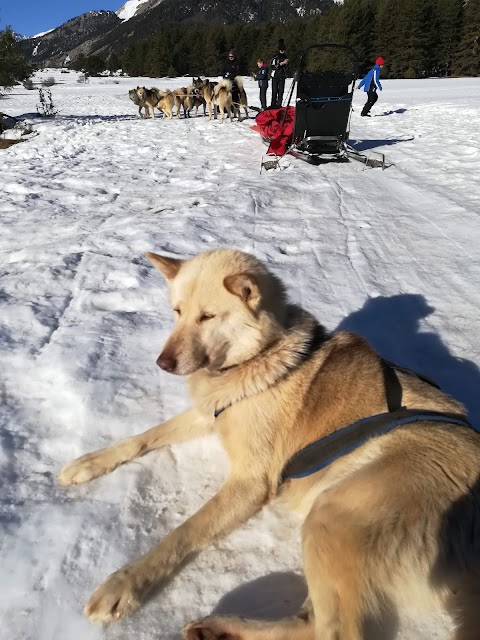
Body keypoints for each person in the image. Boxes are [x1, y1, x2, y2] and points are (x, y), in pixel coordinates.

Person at [270, 39, 289, 108]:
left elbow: (287, 67)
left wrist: (286, 64)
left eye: (283, 50)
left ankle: (279, 105)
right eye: (281, 50)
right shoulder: (275, 57)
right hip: (275, 75)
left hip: (282, 75)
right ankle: (273, 104)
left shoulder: (285, 57)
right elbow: (272, 66)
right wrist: (280, 64)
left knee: (281, 91)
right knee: (274, 91)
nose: (282, 52)